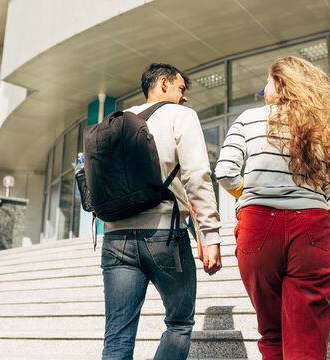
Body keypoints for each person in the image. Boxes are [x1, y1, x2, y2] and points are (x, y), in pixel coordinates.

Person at [215, 56, 330, 359]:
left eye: (267, 81)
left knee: (272, 330)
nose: (264, 88)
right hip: (311, 227)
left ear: (279, 83)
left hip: (257, 226)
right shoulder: (322, 129)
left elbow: (225, 172)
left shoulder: (247, 119)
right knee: (306, 337)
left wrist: (251, 193)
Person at [101, 63, 222, 360]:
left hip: (115, 237)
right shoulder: (181, 116)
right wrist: (211, 236)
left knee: (117, 334)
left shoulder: (116, 121)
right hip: (163, 234)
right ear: (164, 83)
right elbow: (197, 176)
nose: (185, 98)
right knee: (179, 323)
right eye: (182, 89)